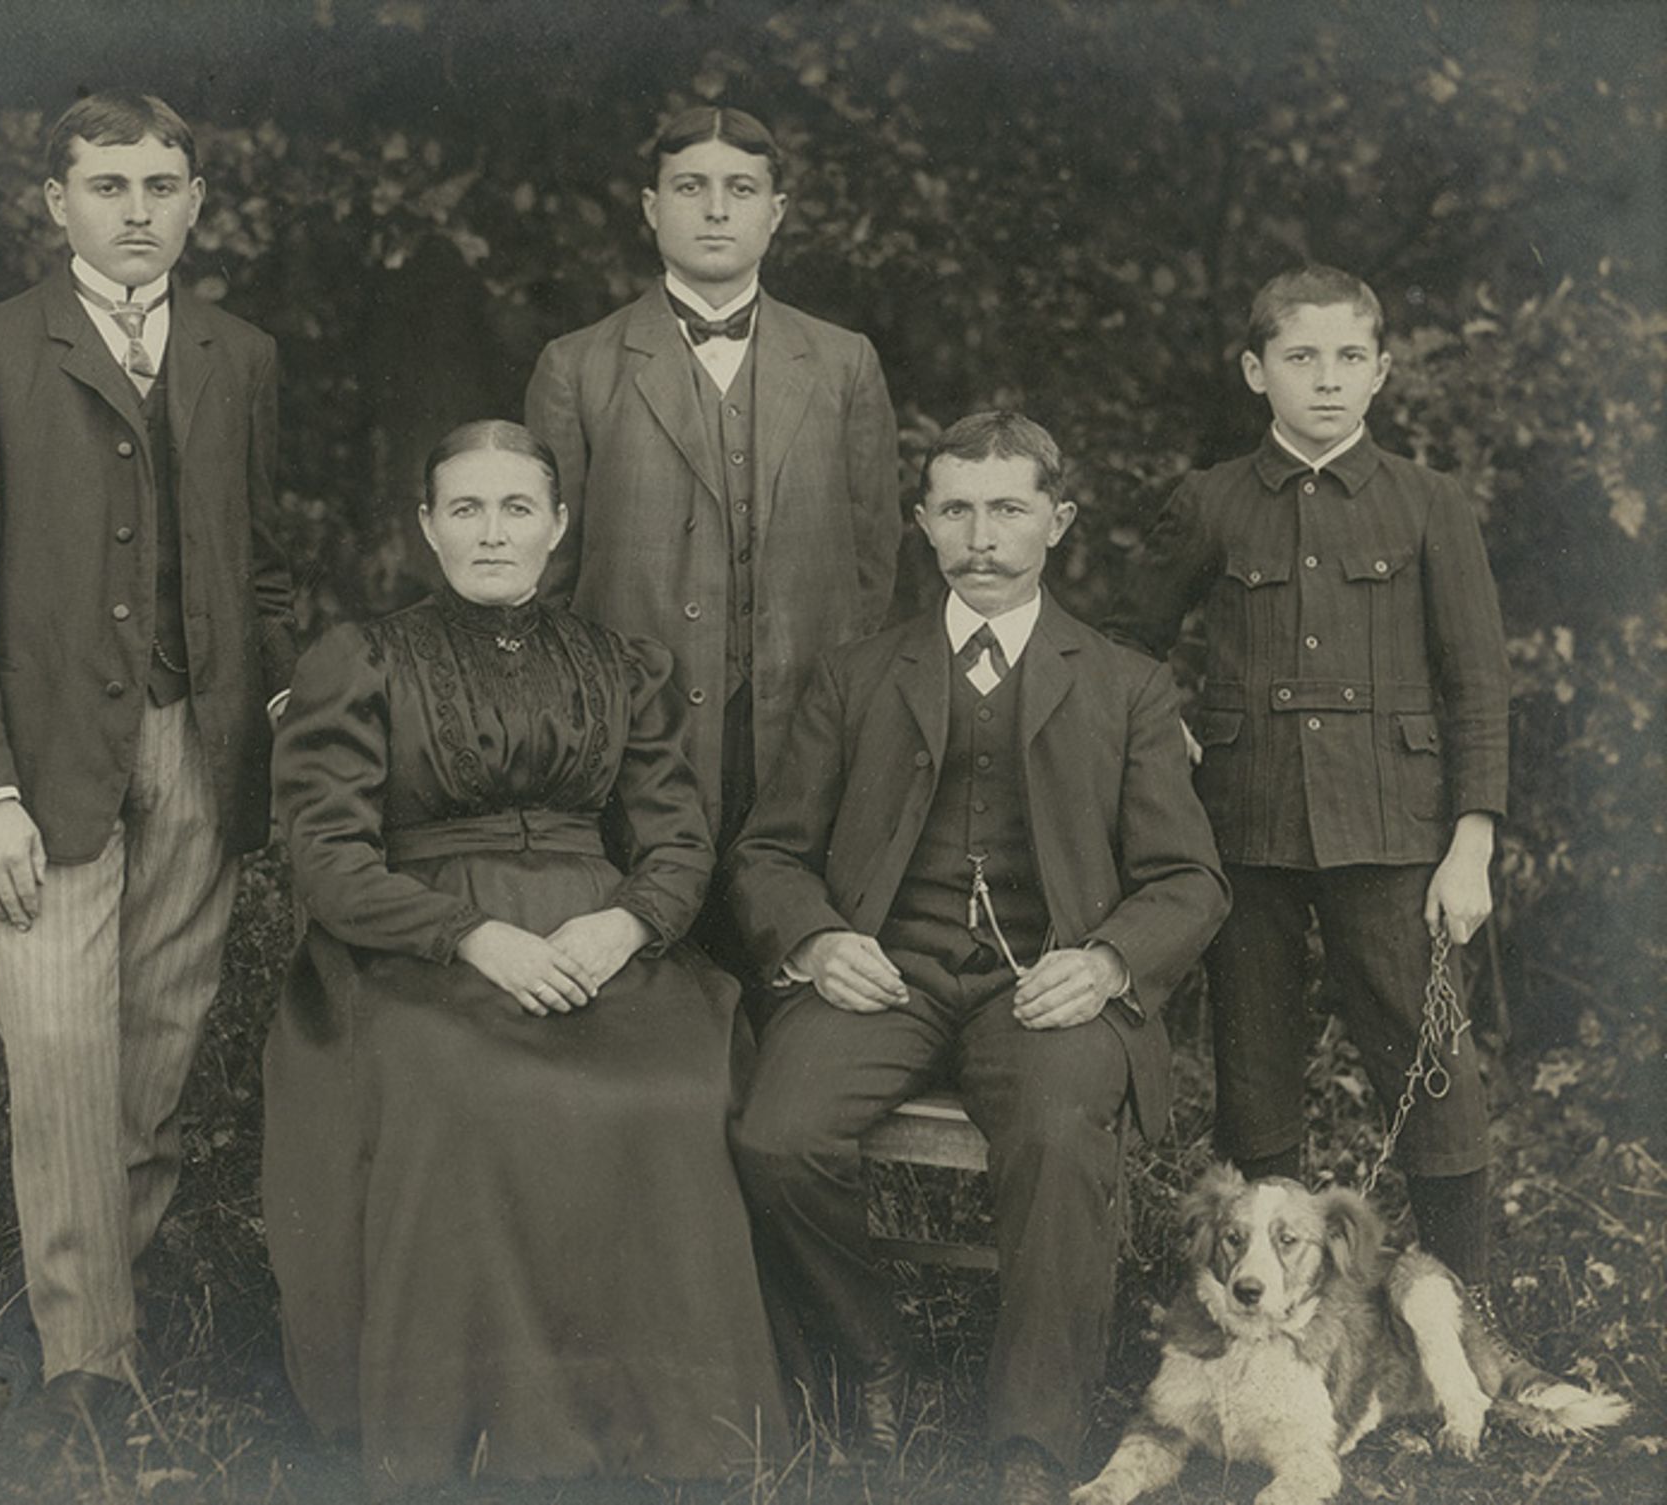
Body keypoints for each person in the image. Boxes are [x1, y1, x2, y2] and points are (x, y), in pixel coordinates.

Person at [262, 420, 788, 1494]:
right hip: (412, 950)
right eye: (464, 508)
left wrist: (628, 924)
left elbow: (679, 839)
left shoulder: (616, 662)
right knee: (469, 1086)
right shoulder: (362, 659)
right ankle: (488, 1434)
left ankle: (677, 1433)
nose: (490, 532)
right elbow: (324, 854)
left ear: (556, 526)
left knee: (673, 1086)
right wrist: (471, 935)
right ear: (426, 527)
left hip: (596, 936)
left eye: (515, 509)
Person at [0, 92, 297, 1487]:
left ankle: (78, 1333)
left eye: (164, 182)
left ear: (197, 201)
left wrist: (271, 706)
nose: (139, 208)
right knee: (60, 1061)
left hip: (199, 749)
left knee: (154, 1063)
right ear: (54, 202)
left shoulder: (240, 357)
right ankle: (90, 1382)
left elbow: (259, 563)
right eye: (109, 182)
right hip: (49, 762)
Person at [726, 412, 1230, 1503]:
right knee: (775, 1135)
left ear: (1059, 520)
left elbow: (1191, 881)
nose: (982, 535)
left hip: (1047, 986)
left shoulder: (1125, 683)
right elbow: (767, 852)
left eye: (1008, 508)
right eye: (955, 508)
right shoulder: (859, 673)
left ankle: (1030, 1444)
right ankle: (877, 1356)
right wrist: (816, 938)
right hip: (885, 975)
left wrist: (1103, 963)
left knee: (1055, 1135)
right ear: (921, 523)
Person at [1107, 265, 1510, 1300]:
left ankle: (1466, 1316)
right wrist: (1168, 740)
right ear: (1256, 370)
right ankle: (1268, 1308)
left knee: (1437, 1071)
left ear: (1380, 371)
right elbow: (1122, 652)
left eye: (1347, 358)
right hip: (1246, 832)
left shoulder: (1429, 503)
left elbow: (1475, 684)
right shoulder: (1210, 502)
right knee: (1254, 1079)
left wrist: (1470, 843)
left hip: (1395, 836)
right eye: (1299, 357)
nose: (1325, 380)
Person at [524, 105, 900, 850]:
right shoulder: (577, 366)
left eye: (742, 189)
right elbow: (548, 579)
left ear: (777, 212)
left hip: (802, 732)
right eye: (691, 188)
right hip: (638, 740)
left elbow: (871, 563)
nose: (718, 210)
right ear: (651, 208)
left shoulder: (844, 362)